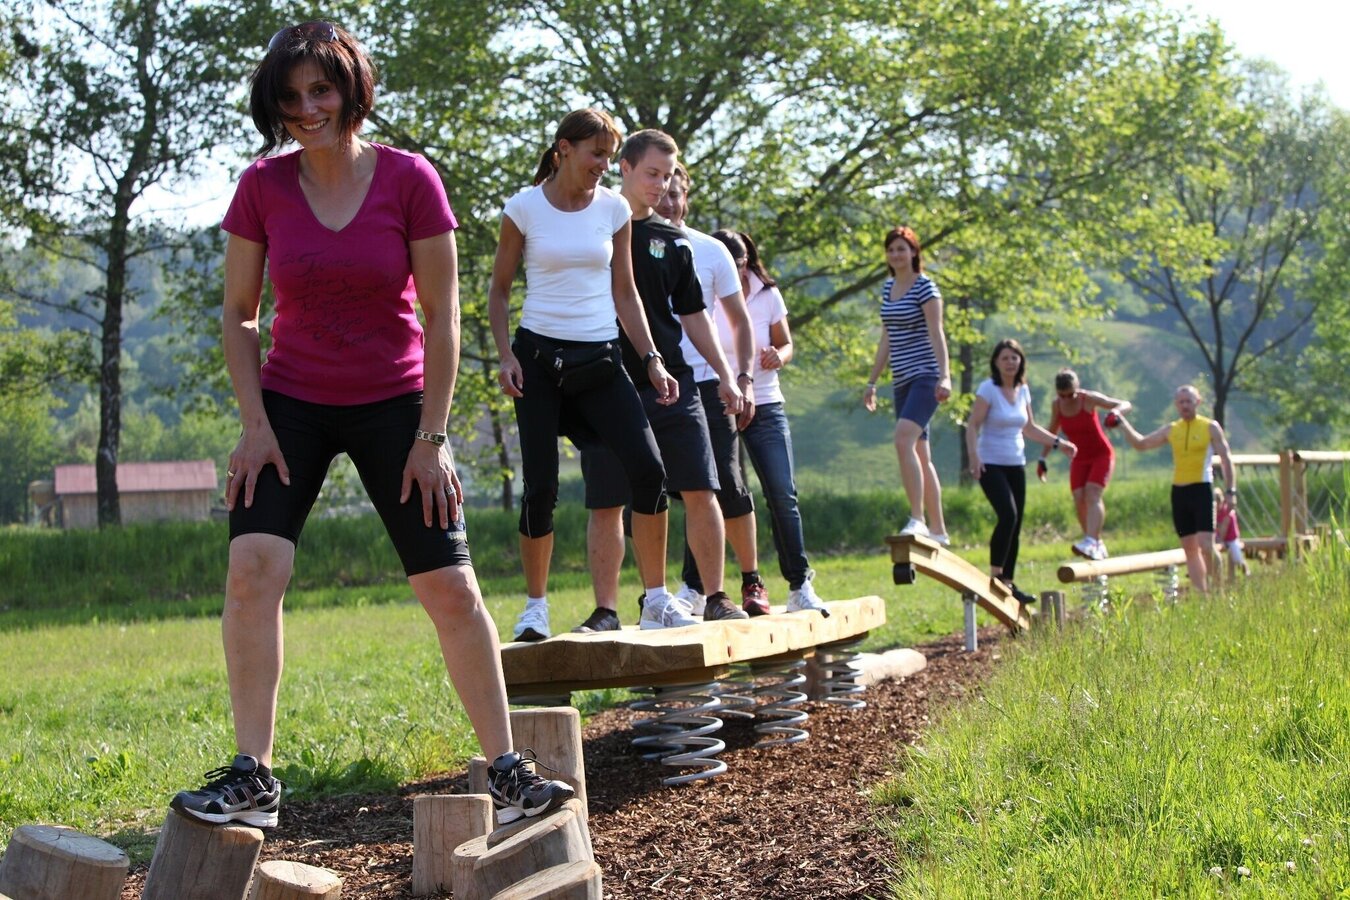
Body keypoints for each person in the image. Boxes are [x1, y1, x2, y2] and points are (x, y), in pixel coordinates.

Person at [172, 22, 571, 829]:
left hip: (396, 404)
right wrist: (254, 425)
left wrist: (433, 437)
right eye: (291, 97)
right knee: (252, 568)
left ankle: (506, 769)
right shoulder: (262, 187)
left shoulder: (409, 178)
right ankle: (254, 777)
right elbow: (241, 314)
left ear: (351, 89)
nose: (307, 109)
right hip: (291, 403)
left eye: (321, 90)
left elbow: (444, 318)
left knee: (449, 586)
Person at [488, 110, 682, 642]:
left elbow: (626, 293)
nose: (602, 164)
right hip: (537, 362)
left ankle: (657, 599)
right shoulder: (523, 208)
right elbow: (499, 292)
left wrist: (651, 358)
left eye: (608, 155)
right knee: (541, 488)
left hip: (600, 360)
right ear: (564, 149)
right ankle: (535, 609)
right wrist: (505, 356)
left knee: (649, 470)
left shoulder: (614, 209)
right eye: (596, 153)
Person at [571, 130, 749, 633]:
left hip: (673, 385)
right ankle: (606, 610)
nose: (661, 185)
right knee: (607, 501)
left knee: (701, 489)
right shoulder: (590, 227)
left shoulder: (673, 241)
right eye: (652, 173)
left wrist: (727, 376)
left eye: (669, 176)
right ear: (624, 167)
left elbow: (694, 316)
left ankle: (715, 597)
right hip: (604, 384)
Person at [655, 166, 768, 615]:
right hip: (657, 381)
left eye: (676, 194)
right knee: (679, 489)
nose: (668, 202)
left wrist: (743, 379)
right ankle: (690, 590)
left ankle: (751, 581)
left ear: (686, 198)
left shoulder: (710, 249)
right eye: (661, 193)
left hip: (710, 383)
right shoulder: (629, 244)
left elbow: (741, 322)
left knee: (727, 484)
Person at [713, 229, 830, 615]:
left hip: (764, 401)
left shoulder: (767, 294)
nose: (733, 270)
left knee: (782, 492)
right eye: (725, 262)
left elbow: (786, 343)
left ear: (747, 261)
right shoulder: (701, 289)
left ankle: (799, 584)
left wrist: (780, 355)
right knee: (713, 494)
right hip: (720, 402)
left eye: (738, 263)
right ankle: (700, 588)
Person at [965, 339, 1077, 605]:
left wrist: (1059, 443)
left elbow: (1030, 428)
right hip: (990, 463)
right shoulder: (988, 389)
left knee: (1015, 524)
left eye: (1014, 358)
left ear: (1021, 362)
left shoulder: (1023, 389)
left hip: (1016, 463)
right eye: (1005, 358)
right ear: (996, 362)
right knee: (1008, 514)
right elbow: (972, 425)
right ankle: (996, 575)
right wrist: (974, 457)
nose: (1010, 362)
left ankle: (1009, 581)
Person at [863, 227, 951, 544]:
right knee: (920, 455)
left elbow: (937, 332)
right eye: (891, 250)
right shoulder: (889, 288)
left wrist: (945, 375)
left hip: (926, 377)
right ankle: (939, 531)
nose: (896, 255)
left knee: (903, 440)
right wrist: (872, 381)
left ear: (914, 252)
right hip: (901, 380)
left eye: (902, 248)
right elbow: (886, 338)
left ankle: (918, 519)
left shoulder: (925, 287)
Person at [1114, 385, 1237, 594]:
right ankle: (1202, 596)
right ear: (1176, 405)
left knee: (1206, 545)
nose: (1185, 405)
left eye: (1189, 401)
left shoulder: (1210, 427)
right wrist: (1122, 423)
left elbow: (1226, 459)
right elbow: (1141, 444)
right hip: (1179, 492)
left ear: (1197, 402)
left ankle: (1220, 593)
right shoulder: (1172, 429)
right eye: (1181, 402)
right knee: (1189, 548)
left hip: (1202, 489)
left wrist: (1230, 490)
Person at [1038, 368, 1132, 561]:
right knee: (1078, 498)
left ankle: (1091, 541)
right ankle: (1095, 542)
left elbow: (1125, 404)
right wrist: (1042, 458)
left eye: (1070, 394)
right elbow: (1052, 431)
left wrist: (1115, 413)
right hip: (1079, 458)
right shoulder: (1057, 405)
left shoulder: (1088, 399)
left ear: (1078, 388)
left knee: (1092, 493)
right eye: (1062, 395)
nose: (1066, 399)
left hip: (1101, 455)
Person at [1214, 487, 1250, 580]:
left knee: (1237, 557)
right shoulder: (1215, 512)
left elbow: (1224, 528)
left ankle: (1245, 570)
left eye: (1218, 501)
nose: (1216, 505)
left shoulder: (1226, 511)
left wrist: (1220, 539)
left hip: (1231, 538)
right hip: (1220, 537)